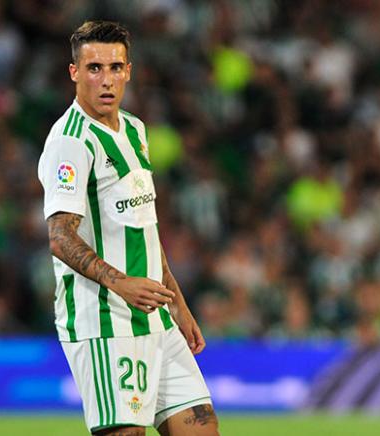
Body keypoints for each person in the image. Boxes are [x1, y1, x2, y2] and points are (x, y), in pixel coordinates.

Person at [37, 21, 219, 436]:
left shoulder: (134, 130)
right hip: (104, 320)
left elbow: (144, 226)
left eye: (115, 67)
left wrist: (177, 302)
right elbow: (60, 236)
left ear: (129, 71)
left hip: (156, 317)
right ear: (74, 73)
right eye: (94, 68)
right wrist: (121, 284)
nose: (106, 80)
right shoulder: (71, 141)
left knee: (203, 429)